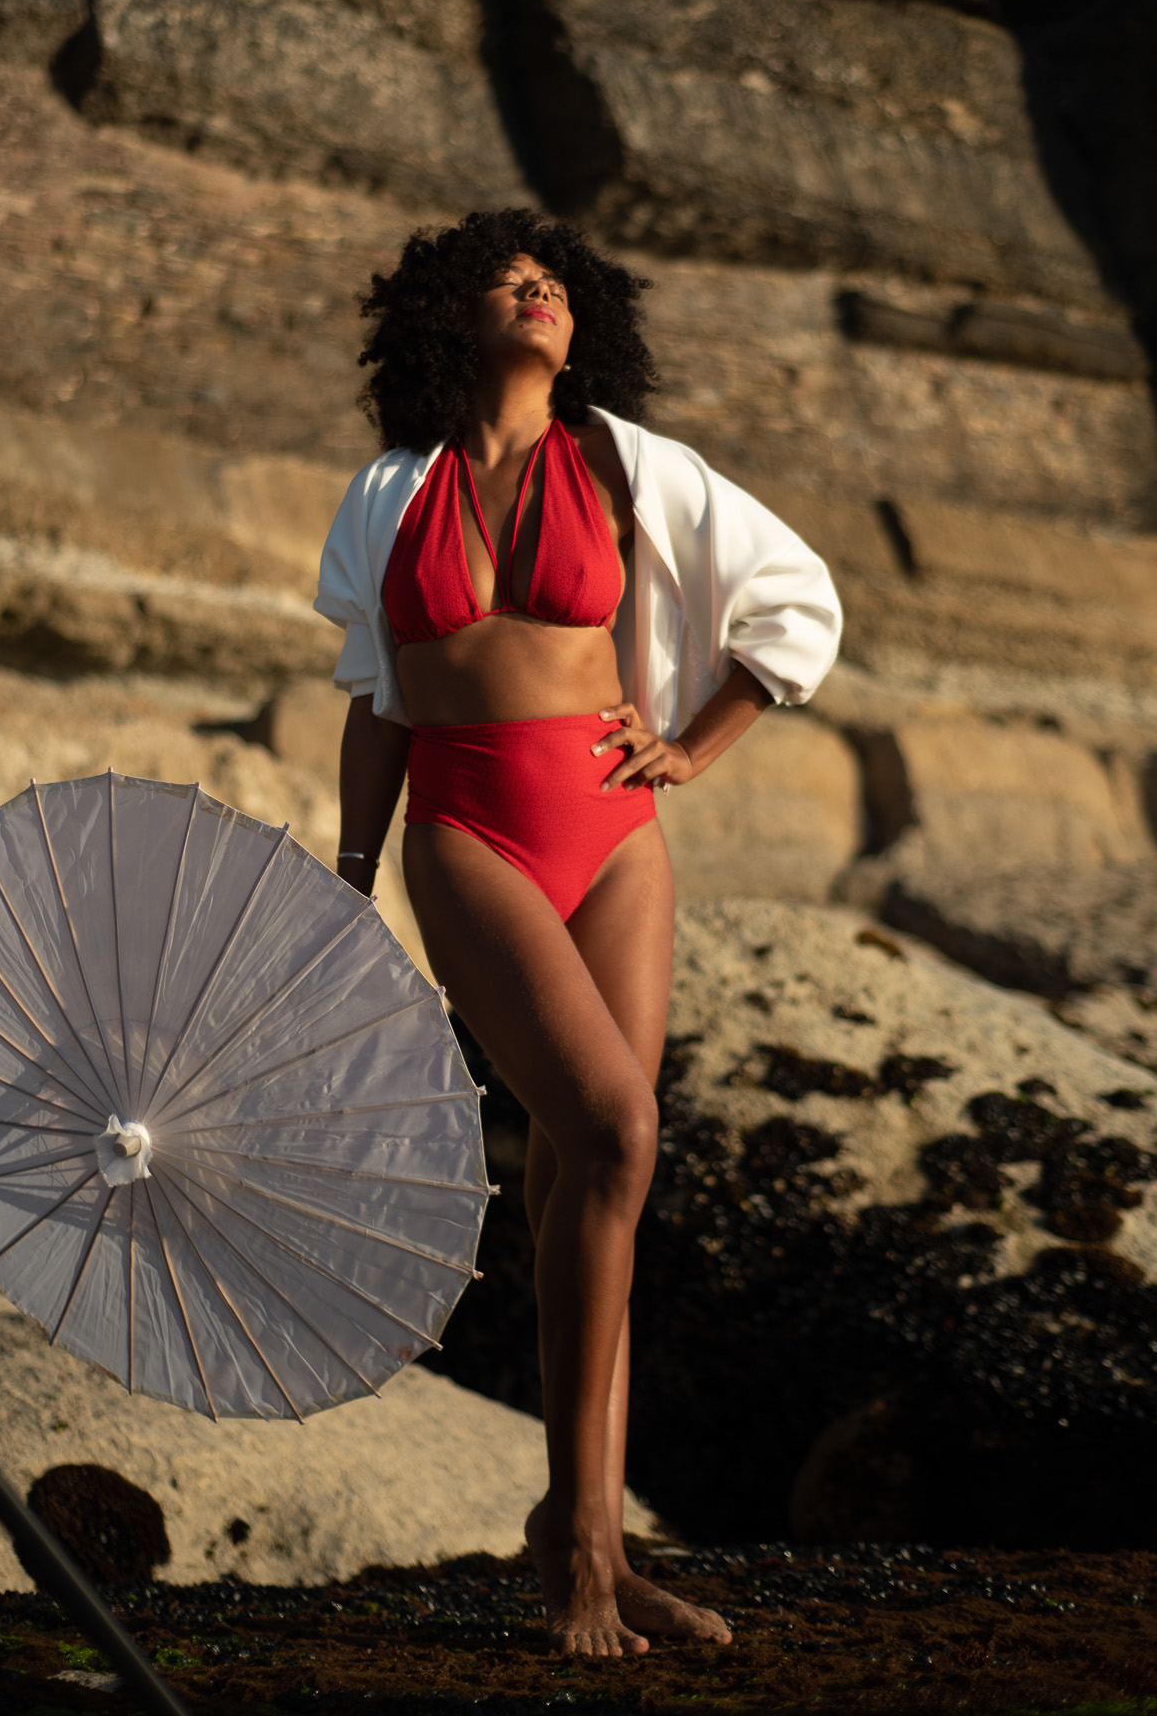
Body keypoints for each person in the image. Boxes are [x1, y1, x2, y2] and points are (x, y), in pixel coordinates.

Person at [314, 209, 841, 1659]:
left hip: (616, 836)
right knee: (615, 1130)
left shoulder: (623, 464)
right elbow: (377, 699)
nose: (538, 289)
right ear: (450, 313)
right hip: (468, 833)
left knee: (589, 1168)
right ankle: (588, 1551)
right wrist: (350, 874)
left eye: (554, 279)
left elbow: (795, 599)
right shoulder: (392, 490)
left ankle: (579, 1528)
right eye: (508, 276)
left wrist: (695, 745)